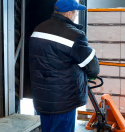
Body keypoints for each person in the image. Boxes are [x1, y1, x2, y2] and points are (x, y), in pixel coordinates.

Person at [28, 0, 100, 132]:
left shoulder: (38, 29)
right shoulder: (75, 36)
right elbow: (93, 68)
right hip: (63, 101)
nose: (75, 15)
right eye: (75, 12)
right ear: (68, 14)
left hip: (42, 98)